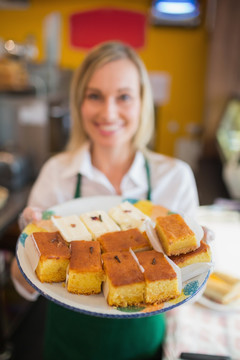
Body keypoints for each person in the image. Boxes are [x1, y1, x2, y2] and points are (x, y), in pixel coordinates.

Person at [11, 41, 199, 360]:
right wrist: (27, 249)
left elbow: (189, 288)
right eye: (95, 95)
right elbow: (27, 286)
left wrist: (196, 252)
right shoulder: (58, 173)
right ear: (79, 102)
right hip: (65, 347)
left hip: (143, 348)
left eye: (123, 96)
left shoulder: (174, 177)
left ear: (142, 103)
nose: (108, 112)